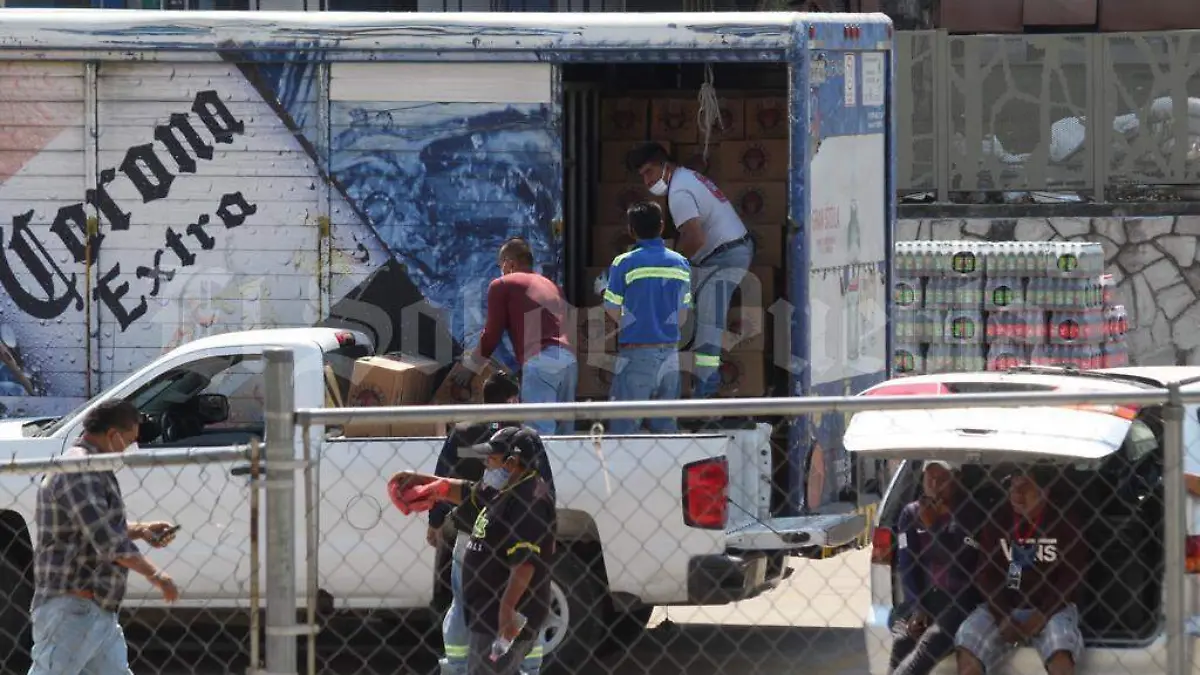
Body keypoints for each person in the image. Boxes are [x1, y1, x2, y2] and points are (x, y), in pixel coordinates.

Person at [28, 399, 181, 675]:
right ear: (113, 435)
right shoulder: (80, 469)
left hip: (96, 609)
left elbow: (96, 527)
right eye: (129, 440)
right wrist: (157, 575)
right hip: (72, 609)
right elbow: (108, 542)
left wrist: (142, 530)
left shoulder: (92, 468)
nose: (129, 448)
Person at [389, 426, 557, 675]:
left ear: (512, 462)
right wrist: (422, 482)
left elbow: (525, 564)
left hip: (502, 618)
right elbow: (466, 491)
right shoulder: (504, 488)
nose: (486, 464)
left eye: (492, 458)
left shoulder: (528, 499)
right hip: (489, 613)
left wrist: (506, 610)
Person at [431, 373, 555, 675]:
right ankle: (529, 668)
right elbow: (546, 485)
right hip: (516, 532)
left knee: (464, 604)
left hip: (473, 532)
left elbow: (442, 473)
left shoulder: (463, 430)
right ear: (512, 399)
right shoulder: (525, 439)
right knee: (524, 602)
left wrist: (435, 521)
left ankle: (459, 666)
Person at [625, 142, 754, 399]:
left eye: (650, 172)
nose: (647, 181)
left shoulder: (679, 193)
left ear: (666, 166)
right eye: (643, 176)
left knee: (708, 326)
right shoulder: (685, 177)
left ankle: (705, 398)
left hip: (724, 258)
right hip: (720, 254)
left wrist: (669, 269)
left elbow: (694, 238)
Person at [955, 467, 1086, 675]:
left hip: (1052, 608)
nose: (1016, 494)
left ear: (1045, 491)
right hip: (1004, 607)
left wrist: (1043, 614)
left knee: (1060, 652)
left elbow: (1072, 576)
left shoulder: (1065, 520)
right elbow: (985, 575)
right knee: (968, 640)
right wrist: (1002, 615)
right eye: (1012, 487)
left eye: (1025, 488)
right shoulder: (998, 518)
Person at [453, 237, 577, 435]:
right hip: (569, 361)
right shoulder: (551, 286)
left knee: (538, 435)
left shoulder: (502, 284)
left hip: (541, 361)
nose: (500, 271)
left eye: (500, 265)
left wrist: (471, 368)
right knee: (564, 435)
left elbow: (492, 334)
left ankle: (539, 465)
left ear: (509, 264)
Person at [602, 201, 691, 434]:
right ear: (662, 226)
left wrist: (634, 325)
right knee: (666, 428)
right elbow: (682, 313)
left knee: (625, 428)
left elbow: (611, 307)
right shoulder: (680, 264)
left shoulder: (624, 263)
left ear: (631, 230)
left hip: (637, 353)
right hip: (670, 353)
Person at [889, 460, 982, 675]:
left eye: (941, 479)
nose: (934, 484)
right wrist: (917, 606)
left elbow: (960, 562)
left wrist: (934, 527)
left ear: (956, 479)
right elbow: (907, 563)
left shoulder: (969, 512)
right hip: (923, 598)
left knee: (928, 645)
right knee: (902, 641)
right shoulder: (911, 514)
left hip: (959, 600)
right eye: (929, 478)